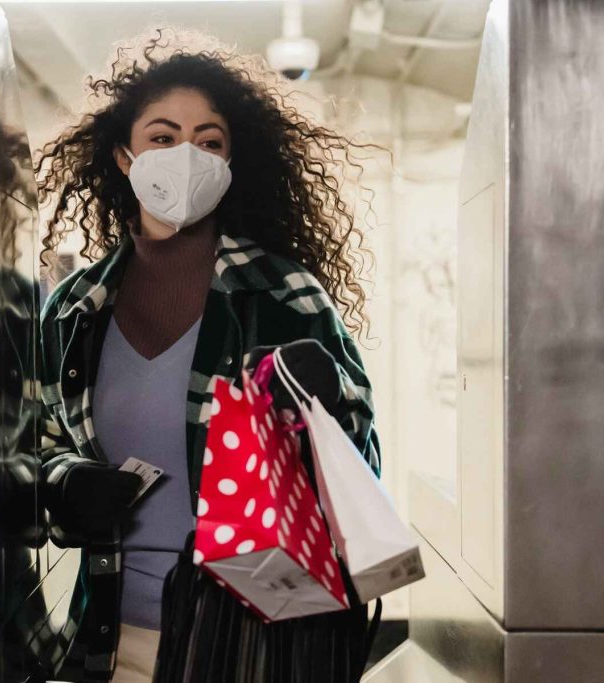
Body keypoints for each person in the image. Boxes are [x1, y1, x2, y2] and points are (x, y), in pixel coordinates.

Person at [34, 27, 385, 683]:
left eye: (209, 142)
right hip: (116, 646)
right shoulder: (75, 309)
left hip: (259, 645)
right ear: (123, 156)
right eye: (163, 138)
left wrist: (328, 398)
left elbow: (361, 462)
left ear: (229, 164)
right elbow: (40, 443)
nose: (185, 156)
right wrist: (64, 483)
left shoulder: (284, 295)